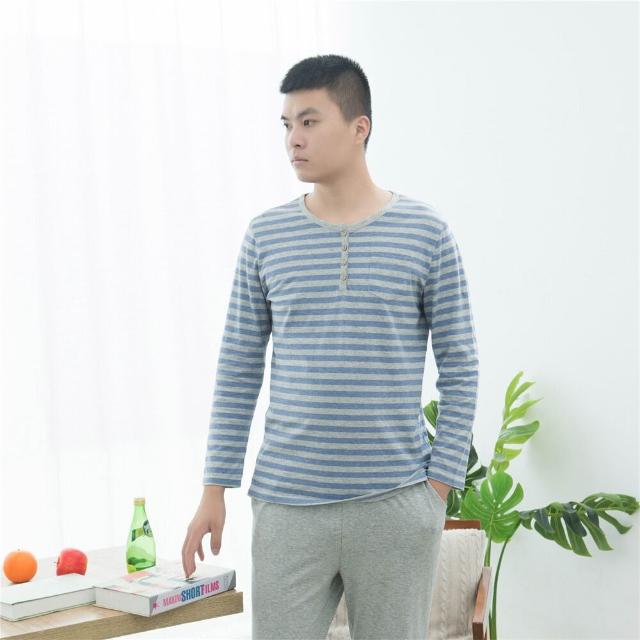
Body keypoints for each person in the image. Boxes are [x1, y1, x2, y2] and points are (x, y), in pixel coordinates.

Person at [182, 54, 479, 640]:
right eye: (287, 124)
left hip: (396, 505)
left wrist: (437, 486)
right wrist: (214, 489)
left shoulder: (426, 232)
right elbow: (238, 368)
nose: (293, 139)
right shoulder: (266, 236)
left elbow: (461, 364)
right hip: (287, 508)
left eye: (310, 122)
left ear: (359, 127)